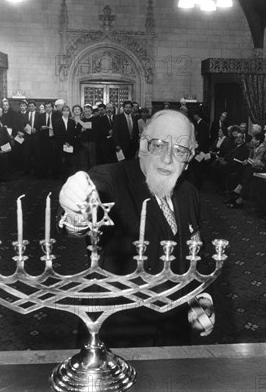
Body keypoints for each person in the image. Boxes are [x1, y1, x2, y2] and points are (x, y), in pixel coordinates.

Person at [59, 109, 213, 347]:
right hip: (117, 333)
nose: (168, 159)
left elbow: (193, 254)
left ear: (190, 157)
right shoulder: (110, 177)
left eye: (180, 150)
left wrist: (200, 301)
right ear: (143, 144)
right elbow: (90, 203)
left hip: (173, 333)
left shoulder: (188, 192)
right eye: (159, 145)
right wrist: (76, 209)